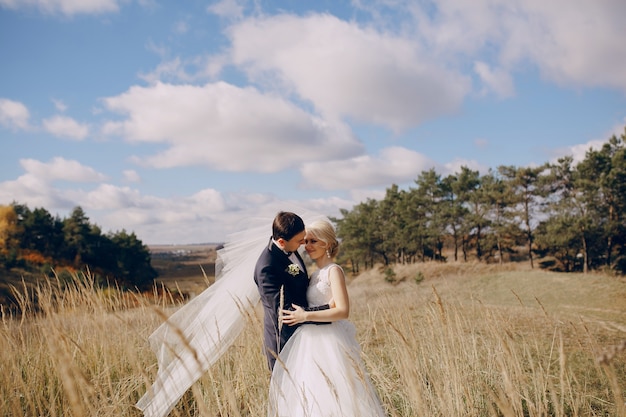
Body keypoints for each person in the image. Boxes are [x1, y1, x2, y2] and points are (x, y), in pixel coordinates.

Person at [268, 219, 386, 417]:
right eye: (306, 241)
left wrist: (305, 315)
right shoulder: (313, 274)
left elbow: (343, 310)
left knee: (337, 394)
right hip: (308, 342)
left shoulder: (334, 271)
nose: (307, 246)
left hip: (329, 340)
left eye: (313, 241)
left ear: (328, 243)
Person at [254, 211, 328, 370]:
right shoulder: (267, 268)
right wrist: (327, 312)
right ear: (281, 241)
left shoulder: (289, 249)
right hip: (284, 342)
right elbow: (285, 312)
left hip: (306, 335)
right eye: (299, 240)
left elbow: (298, 284)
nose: (304, 244)